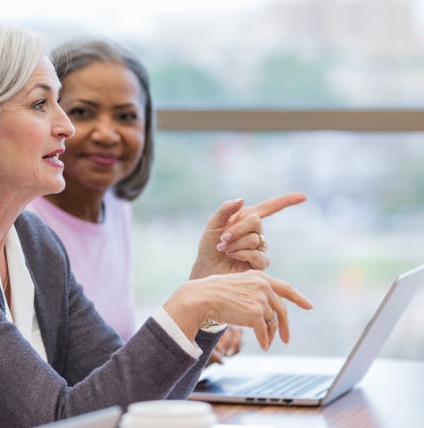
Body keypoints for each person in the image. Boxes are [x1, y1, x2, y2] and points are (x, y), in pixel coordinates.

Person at [0, 23, 313, 427]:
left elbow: (130, 405)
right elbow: (58, 422)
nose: (66, 126)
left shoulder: (32, 242)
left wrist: (205, 294)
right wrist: (186, 305)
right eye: (39, 104)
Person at [28, 38, 307, 364]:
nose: (107, 134)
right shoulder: (24, 223)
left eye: (126, 116)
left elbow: (112, 349)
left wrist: (199, 326)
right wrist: (183, 327)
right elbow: (67, 374)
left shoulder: (115, 206)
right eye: (82, 112)